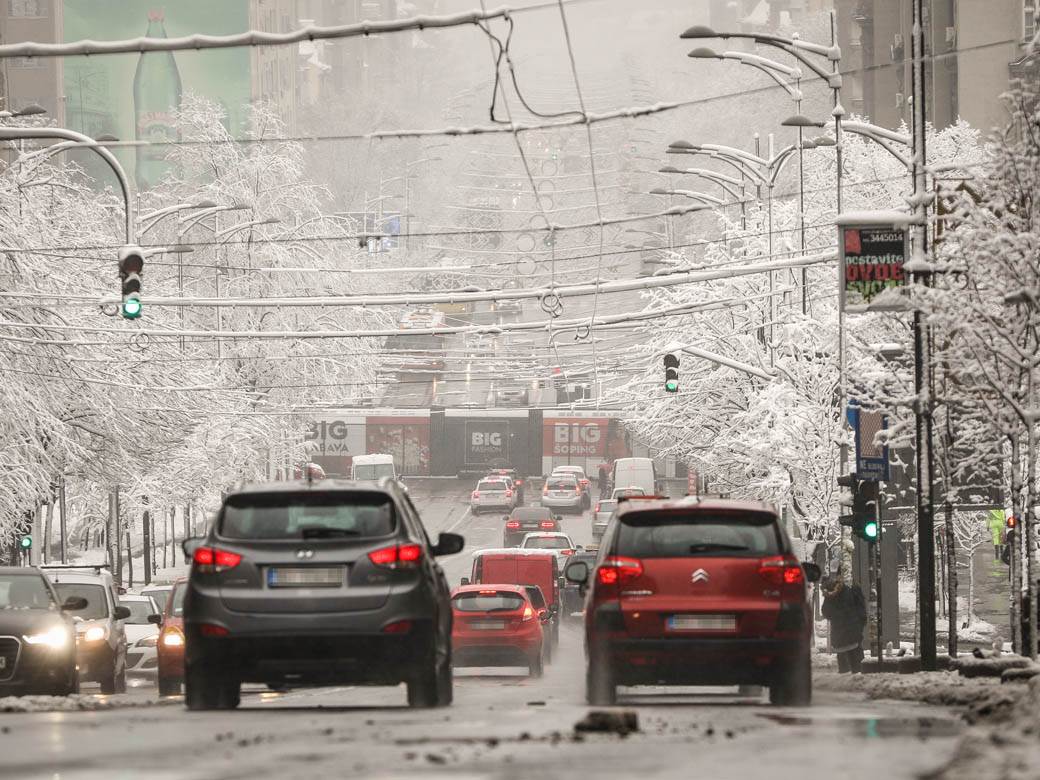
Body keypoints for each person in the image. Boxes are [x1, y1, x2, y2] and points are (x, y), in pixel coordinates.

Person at [821, 572, 867, 673]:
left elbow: (826, 613)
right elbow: (861, 612)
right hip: (853, 635)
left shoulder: (831, 596)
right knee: (857, 669)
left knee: (844, 668)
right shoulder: (849, 591)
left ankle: (845, 683)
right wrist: (860, 626)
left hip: (840, 638)